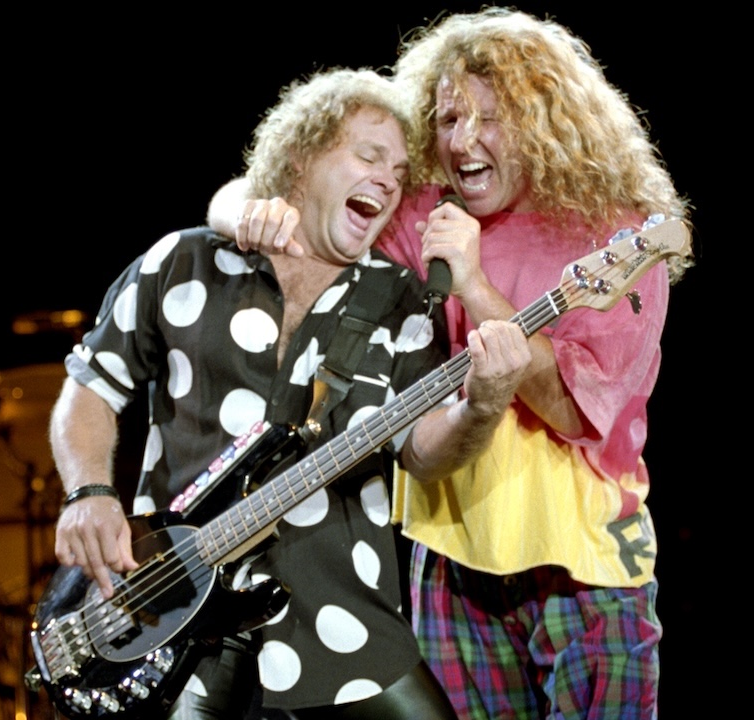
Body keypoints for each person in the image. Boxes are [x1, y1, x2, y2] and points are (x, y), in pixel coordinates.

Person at [206, 8, 691, 719]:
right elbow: (253, 195)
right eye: (447, 118)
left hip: (581, 567)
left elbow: (571, 409)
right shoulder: (426, 211)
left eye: (489, 118)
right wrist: (240, 215)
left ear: (545, 120)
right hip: (450, 564)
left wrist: (473, 283)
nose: (462, 141)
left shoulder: (615, 234)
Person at [48, 66, 531, 720]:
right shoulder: (182, 263)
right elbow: (90, 390)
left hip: (346, 628)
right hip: (172, 615)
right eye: (368, 155)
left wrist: (483, 404)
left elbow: (424, 451)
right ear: (301, 157)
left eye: (398, 169)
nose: (389, 178)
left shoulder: (400, 302)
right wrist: (89, 493)